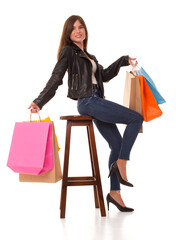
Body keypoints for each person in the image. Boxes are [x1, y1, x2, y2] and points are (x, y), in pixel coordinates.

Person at [29, 15, 143, 212]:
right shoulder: (68, 52)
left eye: (81, 27)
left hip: (98, 101)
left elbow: (104, 75)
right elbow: (56, 78)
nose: (78, 31)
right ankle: (122, 163)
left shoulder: (90, 57)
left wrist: (123, 60)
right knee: (136, 118)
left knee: (116, 144)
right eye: (73, 28)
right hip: (88, 102)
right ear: (68, 33)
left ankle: (114, 193)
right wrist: (39, 101)